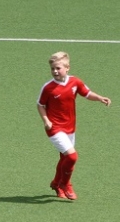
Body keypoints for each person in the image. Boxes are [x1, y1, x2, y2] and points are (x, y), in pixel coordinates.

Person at [37, 51, 111, 200]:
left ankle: (56, 184)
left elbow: (87, 93)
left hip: (70, 127)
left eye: (58, 68)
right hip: (54, 128)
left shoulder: (75, 82)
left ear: (67, 68)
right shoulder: (48, 87)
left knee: (64, 158)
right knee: (72, 156)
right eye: (52, 69)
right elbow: (40, 105)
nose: (55, 71)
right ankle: (65, 184)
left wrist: (99, 98)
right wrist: (46, 121)